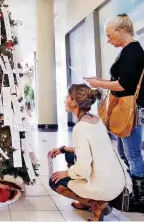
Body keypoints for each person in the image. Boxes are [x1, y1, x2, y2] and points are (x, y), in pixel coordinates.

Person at [85, 13, 144, 214]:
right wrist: (99, 80)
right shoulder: (129, 50)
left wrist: (98, 83)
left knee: (132, 154)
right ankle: (139, 193)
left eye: (109, 35)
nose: (108, 40)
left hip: (134, 108)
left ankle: (143, 200)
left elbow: (124, 85)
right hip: (132, 106)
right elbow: (121, 80)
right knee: (126, 152)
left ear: (120, 31)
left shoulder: (132, 51)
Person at [49, 84, 125, 221]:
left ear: (73, 101)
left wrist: (66, 173)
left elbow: (83, 169)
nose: (64, 99)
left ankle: (96, 204)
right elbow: (92, 149)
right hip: (117, 183)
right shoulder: (96, 120)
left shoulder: (80, 128)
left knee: (55, 181)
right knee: (70, 155)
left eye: (67, 96)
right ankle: (92, 201)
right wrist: (62, 149)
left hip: (103, 187)